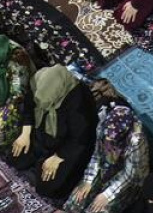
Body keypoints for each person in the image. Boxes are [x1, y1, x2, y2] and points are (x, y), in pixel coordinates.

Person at [10, 64, 98, 198]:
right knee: (16, 158)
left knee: (48, 187)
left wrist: (58, 157)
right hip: (39, 134)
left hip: (66, 146)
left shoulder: (79, 100)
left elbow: (80, 138)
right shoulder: (39, 80)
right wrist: (25, 133)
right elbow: (29, 107)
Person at [65, 103, 150, 213]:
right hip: (105, 169)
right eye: (107, 137)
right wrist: (88, 181)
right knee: (73, 205)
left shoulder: (136, 141)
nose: (109, 140)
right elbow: (97, 155)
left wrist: (107, 195)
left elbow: (130, 175)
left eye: (113, 139)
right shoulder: (104, 125)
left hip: (127, 182)